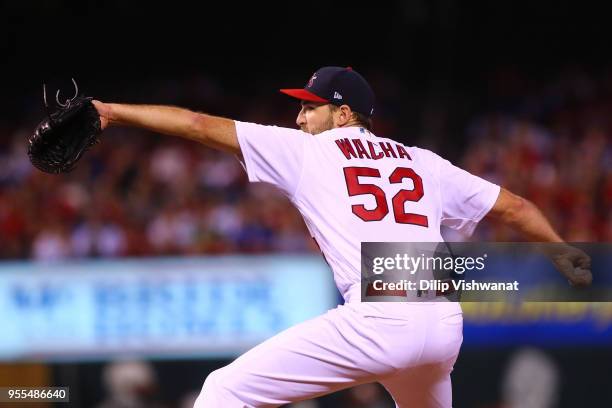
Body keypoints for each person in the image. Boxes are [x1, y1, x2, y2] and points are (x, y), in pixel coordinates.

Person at [92, 66, 591, 407]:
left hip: (379, 320)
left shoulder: (311, 151)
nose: (300, 117)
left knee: (223, 392)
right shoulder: (423, 161)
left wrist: (112, 111)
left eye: (311, 107)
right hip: (442, 322)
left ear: (344, 114)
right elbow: (515, 207)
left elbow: (198, 123)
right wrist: (563, 252)